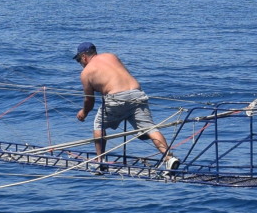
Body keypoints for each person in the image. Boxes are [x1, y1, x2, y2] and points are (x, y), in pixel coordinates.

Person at [73, 42, 179, 173]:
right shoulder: (111, 56)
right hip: (137, 93)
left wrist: (83, 113)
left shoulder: (86, 73)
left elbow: (89, 101)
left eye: (79, 60)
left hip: (116, 98)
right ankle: (169, 158)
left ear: (84, 56)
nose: (80, 63)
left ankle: (100, 161)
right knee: (151, 128)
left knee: (98, 125)